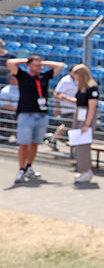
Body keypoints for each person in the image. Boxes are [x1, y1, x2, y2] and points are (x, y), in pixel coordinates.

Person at [7, 55, 66, 184]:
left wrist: (41, 63)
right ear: (29, 66)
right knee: (23, 143)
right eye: (36, 65)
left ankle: (29, 167)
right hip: (26, 114)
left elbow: (60, 66)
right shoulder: (22, 75)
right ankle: (21, 169)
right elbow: (10, 62)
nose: (39, 67)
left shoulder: (44, 76)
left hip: (41, 115)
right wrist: (27, 61)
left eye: (40, 65)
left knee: (34, 143)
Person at [69, 64, 99, 184]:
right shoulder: (82, 87)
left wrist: (87, 124)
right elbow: (79, 101)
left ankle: (86, 171)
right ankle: (83, 170)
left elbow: (92, 107)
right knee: (79, 145)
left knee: (83, 146)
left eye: (75, 74)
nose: (74, 76)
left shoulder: (92, 87)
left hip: (86, 117)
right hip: (80, 115)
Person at [52, 67, 78, 148]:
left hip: (76, 108)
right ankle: (73, 145)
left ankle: (53, 140)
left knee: (67, 125)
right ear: (70, 72)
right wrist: (56, 107)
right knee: (72, 125)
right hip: (67, 108)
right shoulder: (65, 81)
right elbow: (56, 93)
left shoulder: (78, 80)